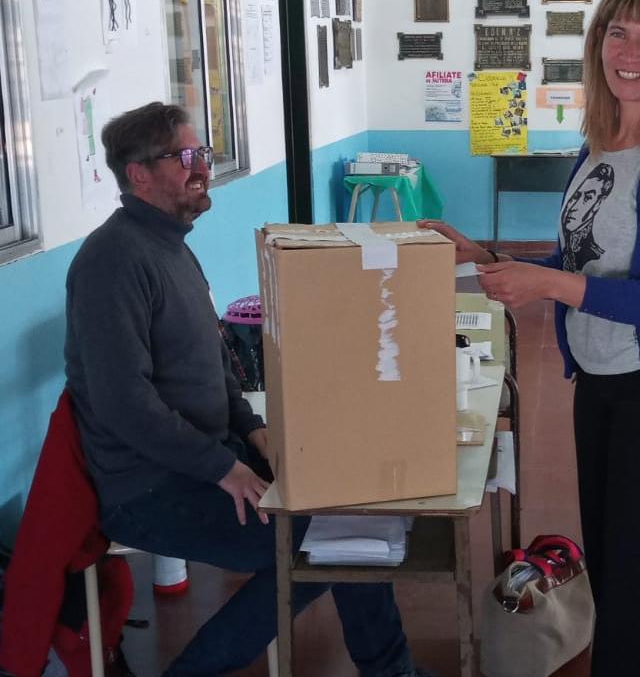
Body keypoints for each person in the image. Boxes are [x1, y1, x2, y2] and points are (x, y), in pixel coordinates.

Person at [422, 0, 640, 677]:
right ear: (597, 45)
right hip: (602, 383)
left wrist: (546, 285)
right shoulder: (600, 142)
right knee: (615, 578)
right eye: (617, 33)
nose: (630, 51)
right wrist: (488, 256)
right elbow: (579, 259)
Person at [64, 101, 432, 676]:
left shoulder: (171, 247)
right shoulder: (110, 262)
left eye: (203, 154)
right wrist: (223, 468)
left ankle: (390, 671)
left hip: (205, 461)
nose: (202, 168)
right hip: (150, 490)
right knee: (327, 544)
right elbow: (125, 405)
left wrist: (252, 430)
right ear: (139, 174)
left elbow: (219, 365)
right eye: (186, 156)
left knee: (349, 513)